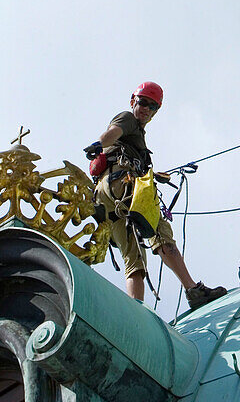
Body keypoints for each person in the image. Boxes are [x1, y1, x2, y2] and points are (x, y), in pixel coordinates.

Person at [94, 82, 226, 310]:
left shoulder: (137, 137)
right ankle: (193, 290)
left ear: (156, 111)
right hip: (121, 186)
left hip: (105, 199)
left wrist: (154, 174)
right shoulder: (128, 119)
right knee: (160, 232)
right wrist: (99, 144)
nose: (146, 109)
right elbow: (112, 133)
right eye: (143, 102)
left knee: (133, 259)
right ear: (133, 100)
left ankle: (135, 310)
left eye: (153, 106)